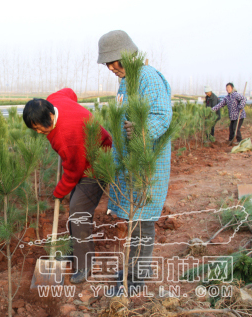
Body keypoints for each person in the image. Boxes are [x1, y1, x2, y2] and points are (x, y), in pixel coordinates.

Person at [97, 30, 172, 293]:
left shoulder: (147, 77)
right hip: (130, 163)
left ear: (125, 56)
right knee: (134, 220)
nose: (109, 68)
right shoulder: (127, 80)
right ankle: (132, 268)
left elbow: (162, 115)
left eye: (112, 62)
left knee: (143, 222)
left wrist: (140, 129)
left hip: (146, 163)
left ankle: (136, 281)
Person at [22, 88, 112, 284]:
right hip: (82, 155)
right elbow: (69, 92)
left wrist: (59, 192)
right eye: (34, 128)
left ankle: (85, 263)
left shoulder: (66, 137)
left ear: (50, 115)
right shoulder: (54, 100)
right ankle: (75, 251)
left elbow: (73, 172)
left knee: (78, 211)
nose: (38, 132)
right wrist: (77, 110)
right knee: (75, 208)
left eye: (40, 127)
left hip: (97, 163)